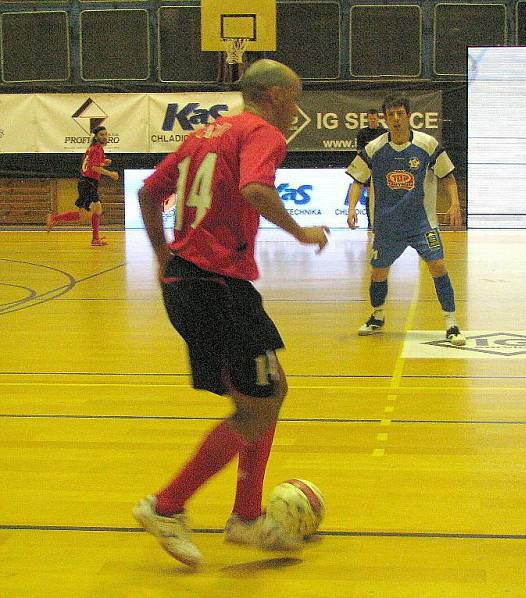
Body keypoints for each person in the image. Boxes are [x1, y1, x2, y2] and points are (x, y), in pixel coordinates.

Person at [134, 58, 329, 568]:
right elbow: (256, 190)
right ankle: (167, 505)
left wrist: (161, 256)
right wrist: (301, 231)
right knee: (256, 407)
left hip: (189, 282)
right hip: (218, 285)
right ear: (276, 97)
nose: (298, 110)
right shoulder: (263, 132)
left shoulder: (204, 134)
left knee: (270, 390)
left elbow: (149, 191)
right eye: (296, 98)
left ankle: (245, 517)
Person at [346, 94, 466, 347]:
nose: (396, 119)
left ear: (409, 116)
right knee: (378, 272)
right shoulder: (374, 148)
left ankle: (451, 324)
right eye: (391, 115)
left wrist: (454, 203)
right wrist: (352, 208)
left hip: (422, 224)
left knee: (438, 266)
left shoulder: (427, 144)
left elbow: (448, 177)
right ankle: (377, 316)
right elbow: (357, 180)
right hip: (387, 226)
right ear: (385, 119)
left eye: (400, 114)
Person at [46, 126, 117, 246]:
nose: (104, 137)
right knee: (86, 214)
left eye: (106, 134)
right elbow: (94, 167)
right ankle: (54, 218)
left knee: (93, 210)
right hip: (88, 183)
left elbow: (90, 164)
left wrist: (104, 162)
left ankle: (95, 239)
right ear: (96, 136)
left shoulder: (93, 148)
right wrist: (110, 174)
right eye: (102, 135)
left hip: (88, 183)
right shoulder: (97, 149)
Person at [354, 109, 386, 229]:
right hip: (368, 167)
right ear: (367, 119)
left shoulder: (384, 133)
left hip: (382, 166)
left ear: (378, 118)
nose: (372, 120)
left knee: (381, 195)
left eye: (374, 118)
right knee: (369, 193)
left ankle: (382, 222)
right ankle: (370, 222)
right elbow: (359, 151)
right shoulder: (362, 133)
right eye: (370, 118)